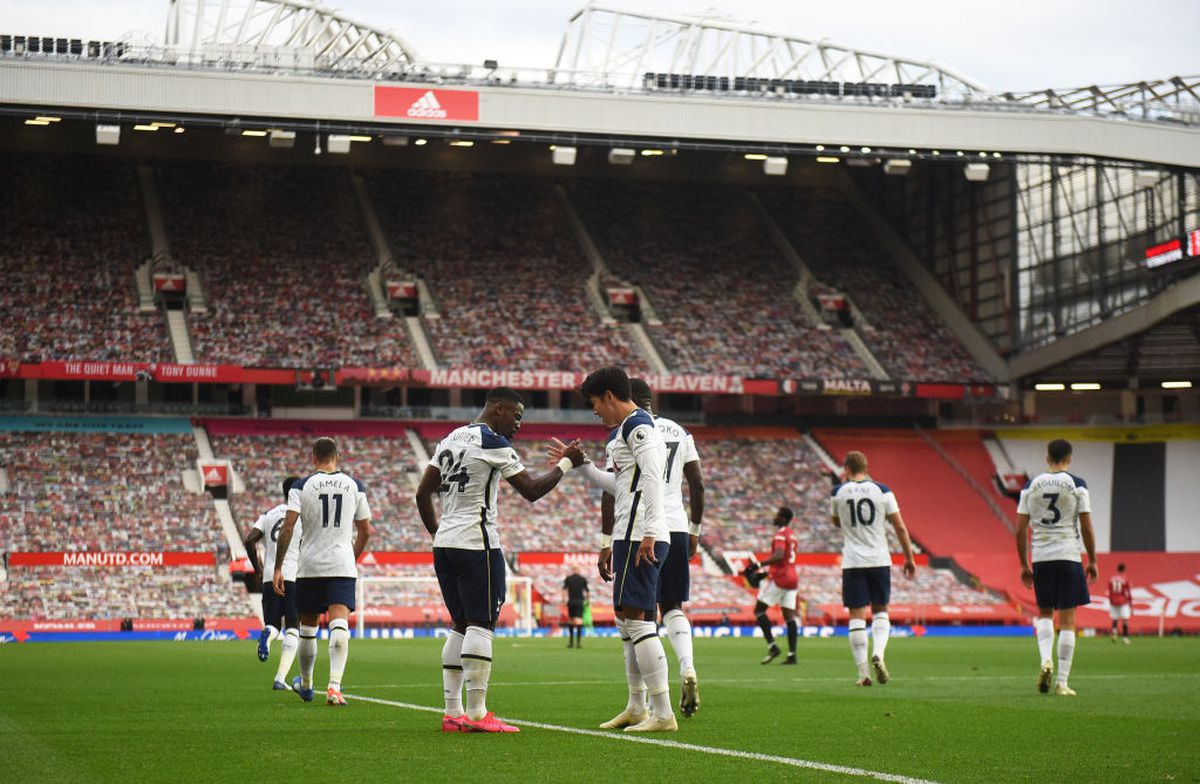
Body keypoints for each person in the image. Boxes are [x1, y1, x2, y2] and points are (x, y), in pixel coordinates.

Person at [415, 386, 582, 734]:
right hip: (478, 544)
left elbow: (422, 492)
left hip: (446, 545)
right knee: (480, 624)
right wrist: (568, 463)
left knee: (460, 623)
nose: (519, 424)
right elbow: (532, 490)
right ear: (500, 409)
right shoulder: (493, 442)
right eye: (517, 415)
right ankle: (477, 714)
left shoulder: (450, 438)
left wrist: (438, 532)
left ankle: (453, 712)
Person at [551, 366, 676, 733]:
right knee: (625, 621)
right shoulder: (621, 432)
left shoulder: (638, 426)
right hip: (628, 535)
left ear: (608, 395)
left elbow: (654, 475)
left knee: (638, 621)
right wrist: (583, 465)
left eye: (594, 404)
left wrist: (650, 532)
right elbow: (619, 483)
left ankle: (663, 713)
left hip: (641, 535)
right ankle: (637, 706)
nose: (594, 412)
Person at [600, 378, 705, 716]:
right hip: (674, 525)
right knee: (672, 606)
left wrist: (605, 540)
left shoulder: (626, 432)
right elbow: (698, 484)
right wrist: (695, 530)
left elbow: (612, 489)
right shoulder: (678, 431)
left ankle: (647, 703)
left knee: (637, 616)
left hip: (644, 528)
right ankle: (686, 665)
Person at [272, 438, 371, 707]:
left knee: (308, 628)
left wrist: (279, 567)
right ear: (337, 456)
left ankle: (305, 685)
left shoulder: (300, 486)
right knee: (339, 624)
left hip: (310, 565)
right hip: (341, 563)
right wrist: (350, 558)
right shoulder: (354, 485)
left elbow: (288, 528)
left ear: (313, 456)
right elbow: (366, 531)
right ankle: (335, 687)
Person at [1016, 438, 1098, 696]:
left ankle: (1045, 661)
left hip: (1041, 557)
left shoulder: (1031, 486)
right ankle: (1062, 682)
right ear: (1069, 458)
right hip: (1068, 555)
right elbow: (1086, 526)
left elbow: (1019, 530)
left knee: (1044, 615)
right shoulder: (1077, 484)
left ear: (1047, 457)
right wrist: (1093, 559)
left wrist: (1023, 564)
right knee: (1068, 621)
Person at [831, 451, 916, 686]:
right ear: (866, 468)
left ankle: (863, 674)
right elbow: (899, 527)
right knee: (881, 610)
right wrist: (909, 557)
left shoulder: (838, 492)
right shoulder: (883, 490)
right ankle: (878, 652)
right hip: (879, 559)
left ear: (846, 469)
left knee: (856, 616)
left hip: (853, 561)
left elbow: (836, 522)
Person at [244, 475, 301, 689]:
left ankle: (267, 635)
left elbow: (249, 539)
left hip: (269, 576)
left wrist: (258, 569)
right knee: (294, 627)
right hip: (293, 575)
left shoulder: (268, 514)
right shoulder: (301, 514)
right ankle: (280, 678)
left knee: (273, 624)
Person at [748, 507, 800, 666]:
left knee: (758, 610)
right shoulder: (792, 535)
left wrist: (758, 564)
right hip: (793, 578)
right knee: (789, 617)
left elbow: (778, 555)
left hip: (780, 578)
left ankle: (772, 646)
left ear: (783, 518)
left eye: (777, 515)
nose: (774, 517)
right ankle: (792, 655)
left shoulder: (780, 535)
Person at [563, 570, 589, 648]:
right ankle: (578, 643)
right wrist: (587, 601)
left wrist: (563, 599)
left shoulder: (568, 578)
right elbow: (587, 591)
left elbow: (564, 589)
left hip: (571, 601)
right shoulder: (582, 579)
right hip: (580, 601)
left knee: (571, 620)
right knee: (579, 621)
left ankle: (571, 643)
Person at [1108, 563, 1132, 644]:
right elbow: (1128, 592)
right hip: (1123, 600)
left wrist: (1111, 600)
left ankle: (1114, 633)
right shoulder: (1125, 579)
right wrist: (1130, 603)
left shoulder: (1111, 579)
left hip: (1113, 601)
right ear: (1124, 569)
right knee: (1125, 620)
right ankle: (1125, 638)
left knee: (1115, 618)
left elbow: (1110, 591)